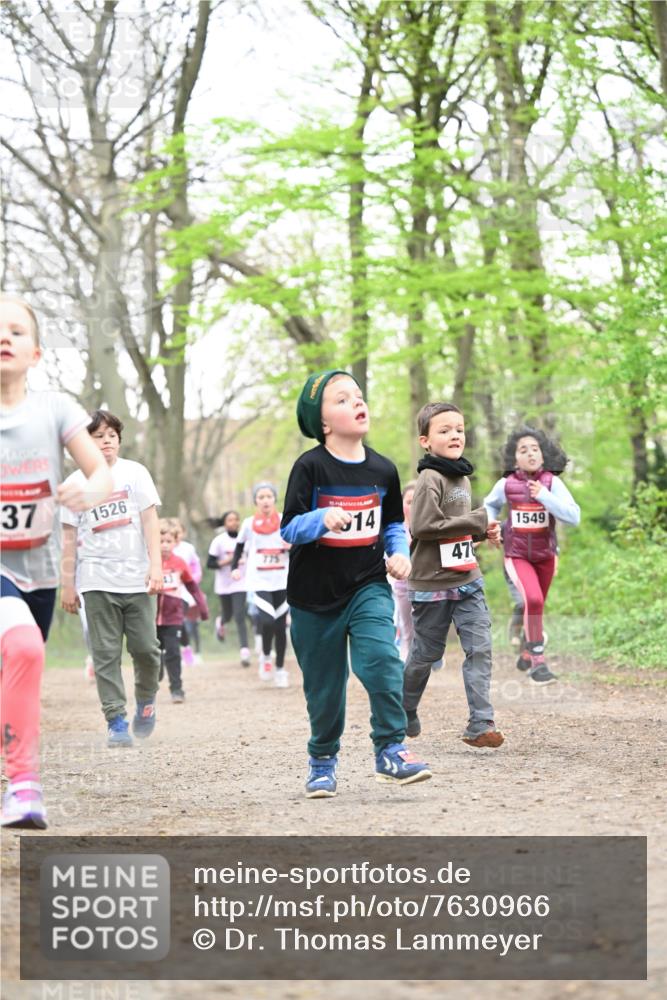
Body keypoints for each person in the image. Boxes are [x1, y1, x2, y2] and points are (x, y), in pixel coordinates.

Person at [281, 369, 431, 798]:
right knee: (325, 690)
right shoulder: (309, 467)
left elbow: (394, 525)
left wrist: (399, 553)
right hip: (313, 597)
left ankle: (391, 749)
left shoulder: (383, 469)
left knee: (382, 660)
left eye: (358, 396)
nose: (356, 403)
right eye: (341, 399)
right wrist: (319, 519)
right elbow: (289, 528)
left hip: (367, 585)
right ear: (323, 423)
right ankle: (322, 759)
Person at [1, 294, 112, 828]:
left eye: (16, 331)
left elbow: (102, 473)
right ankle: (23, 787)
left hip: (40, 574)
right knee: (22, 646)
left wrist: (86, 491)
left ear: (37, 352)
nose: (4, 338)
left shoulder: (56, 409)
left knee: (21, 660)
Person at [402, 402, 504, 749]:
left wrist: (480, 533)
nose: (454, 435)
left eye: (459, 429)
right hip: (431, 584)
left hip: (466, 579)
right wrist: (476, 520)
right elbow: (425, 526)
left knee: (480, 648)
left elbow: (454, 527)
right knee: (425, 656)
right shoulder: (430, 478)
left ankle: (481, 722)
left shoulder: (462, 475)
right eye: (444, 430)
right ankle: (404, 707)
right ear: (425, 441)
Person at [60, 409, 164, 747]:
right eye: (97, 436)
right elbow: (68, 540)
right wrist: (68, 584)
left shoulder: (135, 473)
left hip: (137, 579)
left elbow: (150, 522)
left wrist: (156, 566)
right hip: (95, 579)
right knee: (105, 654)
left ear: (119, 440)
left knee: (147, 650)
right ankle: (116, 720)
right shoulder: (74, 484)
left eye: (111, 436)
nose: (106, 441)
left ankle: (146, 702)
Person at [484, 426, 580, 684]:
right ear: (514, 458)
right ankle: (538, 663)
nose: (530, 454)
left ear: (542, 455)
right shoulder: (506, 484)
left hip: (546, 555)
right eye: (523, 450)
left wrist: (545, 496)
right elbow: (489, 505)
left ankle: (527, 651)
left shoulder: (552, 483)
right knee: (533, 600)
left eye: (535, 449)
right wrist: (491, 523)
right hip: (516, 555)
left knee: (535, 607)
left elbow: (573, 516)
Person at [231, 485, 290, 687]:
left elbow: (297, 543)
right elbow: (239, 546)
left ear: (274, 499)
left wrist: (291, 546)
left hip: (281, 579)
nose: (265, 500)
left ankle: (281, 669)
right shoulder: (248, 523)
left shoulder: (284, 520)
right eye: (261, 497)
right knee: (267, 621)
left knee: (281, 627)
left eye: (269, 496)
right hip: (259, 579)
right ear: (256, 501)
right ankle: (265, 656)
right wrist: (234, 568)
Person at [156, 521, 209, 702]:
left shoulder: (179, 563)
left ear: (174, 543)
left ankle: (176, 690)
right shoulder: (149, 561)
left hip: (174, 615)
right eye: (160, 541)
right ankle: (156, 671)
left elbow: (192, 586)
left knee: (173, 652)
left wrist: (202, 608)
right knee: (153, 652)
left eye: (168, 541)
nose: (164, 545)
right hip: (150, 617)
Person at [207, 510, 251, 666]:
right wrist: (228, 561)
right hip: (224, 584)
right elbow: (210, 564)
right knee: (228, 615)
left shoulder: (245, 539)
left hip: (241, 582)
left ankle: (244, 650)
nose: (234, 522)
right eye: (230, 520)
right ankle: (221, 621)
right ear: (224, 523)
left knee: (240, 614)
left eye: (236, 519)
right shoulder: (219, 541)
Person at [170, 518, 203, 667]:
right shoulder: (162, 547)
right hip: (164, 592)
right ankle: (170, 651)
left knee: (179, 619)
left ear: (183, 532)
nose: (175, 533)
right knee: (167, 623)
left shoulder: (188, 548)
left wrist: (191, 580)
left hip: (183, 592)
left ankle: (186, 649)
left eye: (178, 530)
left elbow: (196, 569)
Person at [391, 481, 416, 662]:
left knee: (428, 627)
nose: (413, 506)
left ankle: (431, 651)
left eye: (418, 500)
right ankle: (407, 662)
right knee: (407, 628)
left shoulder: (435, 526)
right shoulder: (396, 529)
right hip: (403, 586)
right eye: (409, 502)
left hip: (431, 585)